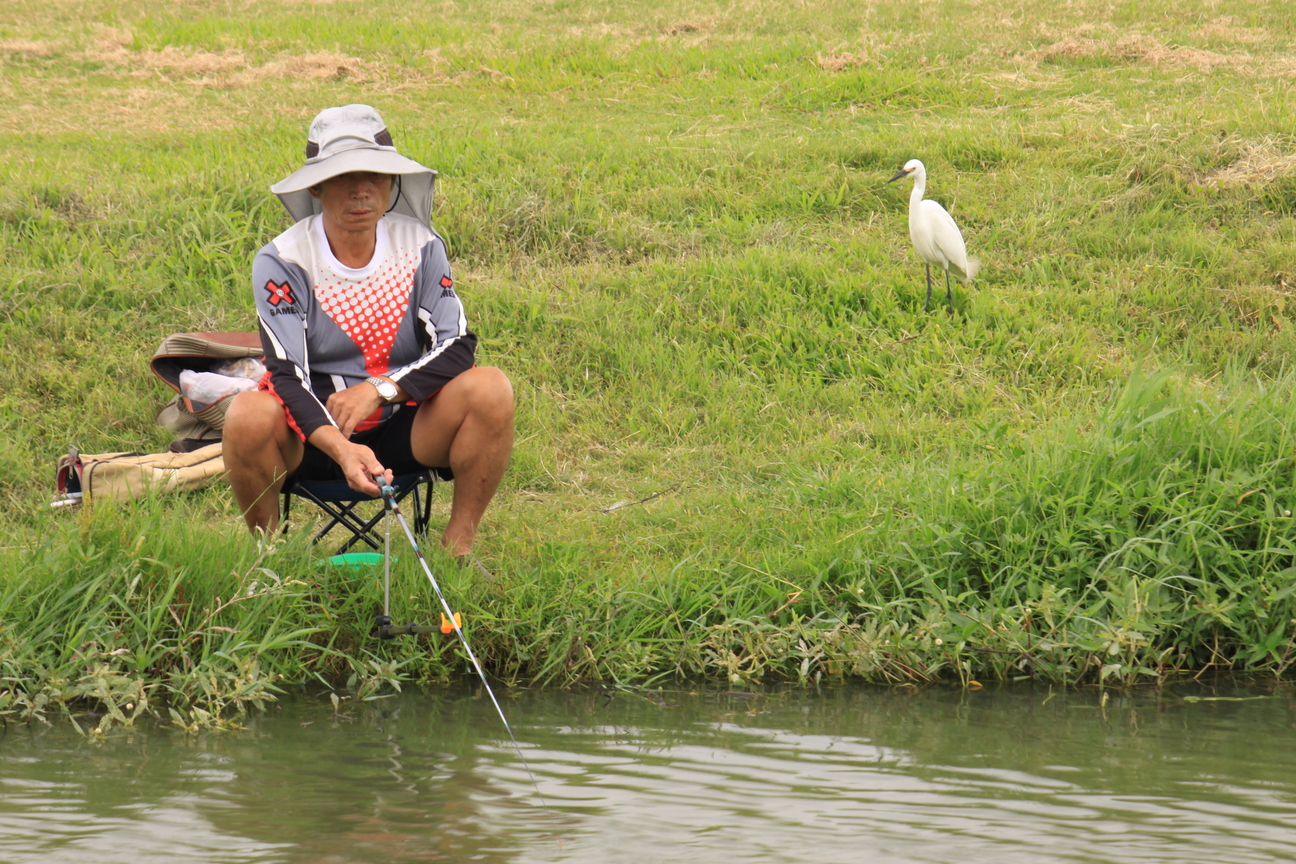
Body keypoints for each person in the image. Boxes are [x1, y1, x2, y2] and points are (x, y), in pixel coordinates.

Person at [223, 104, 513, 561]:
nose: (360, 191)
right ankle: (269, 563)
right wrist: (342, 448)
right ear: (316, 187)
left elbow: (458, 345)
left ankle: (459, 550)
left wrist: (377, 390)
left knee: (491, 388)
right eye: (343, 177)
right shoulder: (282, 260)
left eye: (375, 175)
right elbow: (286, 377)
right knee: (246, 414)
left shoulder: (420, 245)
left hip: (405, 424)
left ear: (393, 182)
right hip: (313, 436)